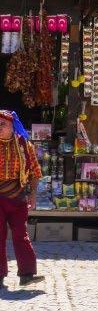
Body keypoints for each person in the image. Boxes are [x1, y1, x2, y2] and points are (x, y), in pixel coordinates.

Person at [0, 110, 44, 288]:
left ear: (12, 126)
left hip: (18, 198)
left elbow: (35, 171)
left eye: (2, 125)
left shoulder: (24, 145)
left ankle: (26, 274)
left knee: (21, 235)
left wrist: (32, 194)